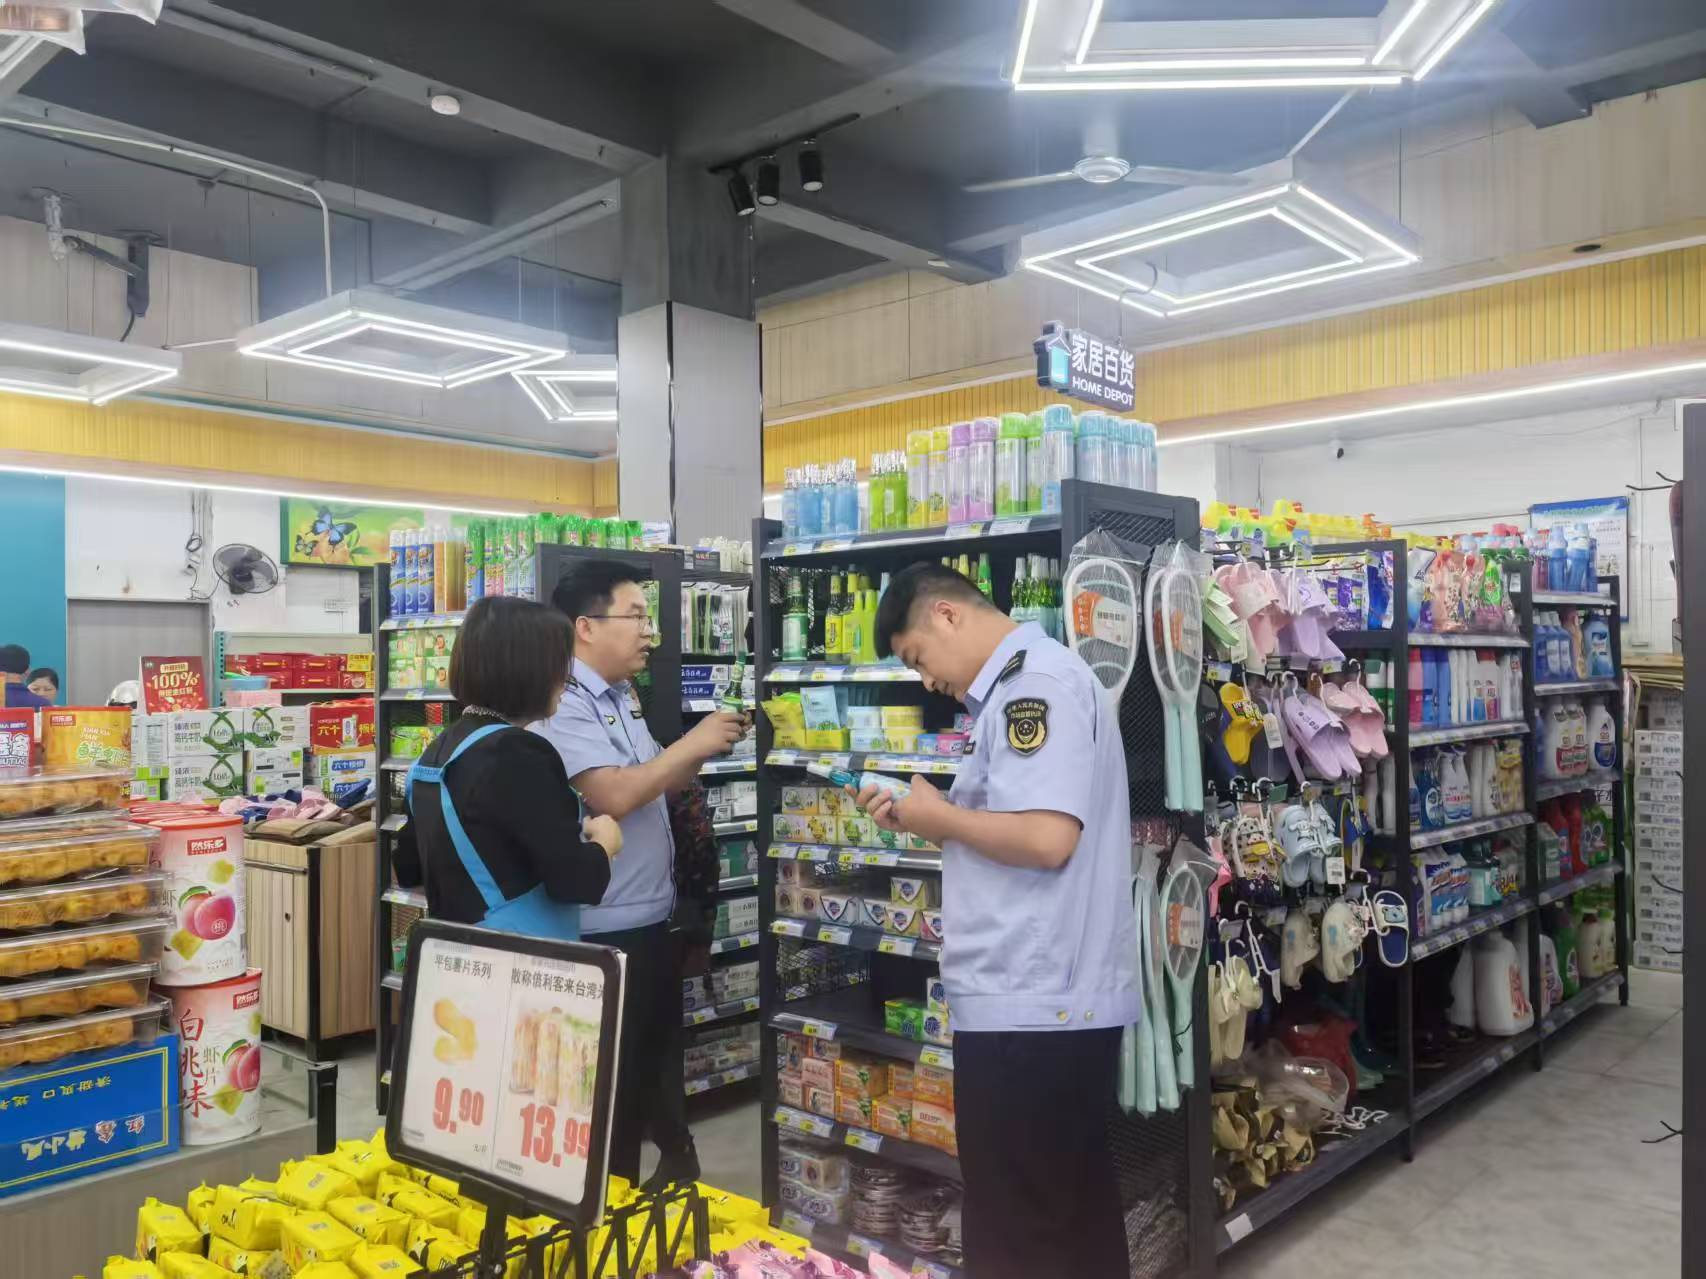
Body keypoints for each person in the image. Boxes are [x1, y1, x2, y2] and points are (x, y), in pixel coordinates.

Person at [854, 562, 1138, 1279]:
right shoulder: (1026, 684)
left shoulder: (1034, 686)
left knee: (1018, 1233)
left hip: (1032, 1004)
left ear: (947, 615)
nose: (926, 680)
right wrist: (931, 822)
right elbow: (1016, 834)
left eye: (918, 657)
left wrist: (942, 817)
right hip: (1041, 1001)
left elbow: (1046, 838)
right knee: (1069, 1217)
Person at [534, 560, 747, 1188]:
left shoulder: (622, 696)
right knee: (608, 1096)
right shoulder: (563, 703)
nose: (650, 632)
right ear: (585, 627)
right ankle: (606, 1210)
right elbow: (613, 794)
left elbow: (655, 780)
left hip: (651, 919)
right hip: (603, 928)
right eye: (636, 616)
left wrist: (703, 751)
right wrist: (693, 743)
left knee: (645, 1069)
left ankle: (647, 1179)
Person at [393, 596, 620, 935]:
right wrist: (605, 843)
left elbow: (408, 869)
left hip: (453, 949)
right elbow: (575, 881)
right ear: (529, 670)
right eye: (560, 665)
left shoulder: (437, 752)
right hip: (518, 956)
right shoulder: (518, 754)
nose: (565, 680)